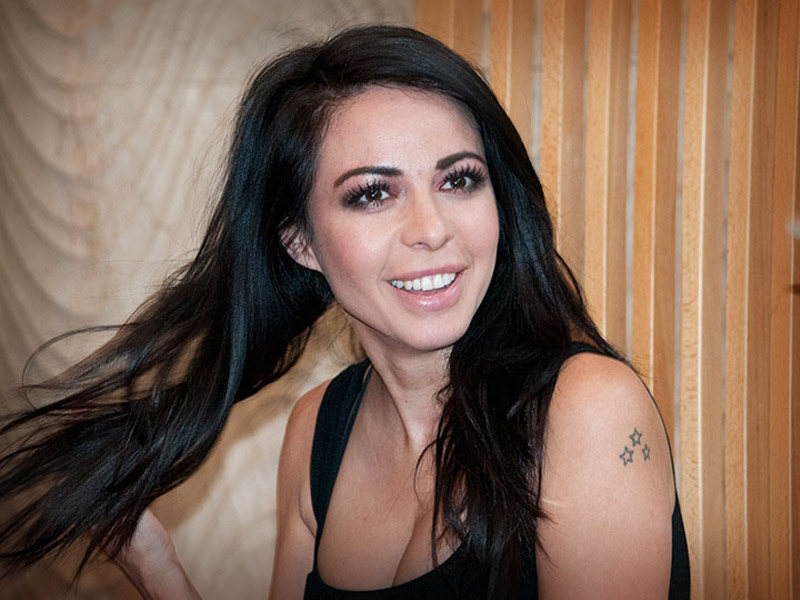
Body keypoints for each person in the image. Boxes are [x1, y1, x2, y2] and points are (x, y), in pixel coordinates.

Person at [0, 25, 690, 599]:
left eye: (459, 180)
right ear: (300, 241)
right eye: (372, 194)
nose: (431, 229)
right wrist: (158, 571)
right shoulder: (316, 433)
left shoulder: (588, 411)